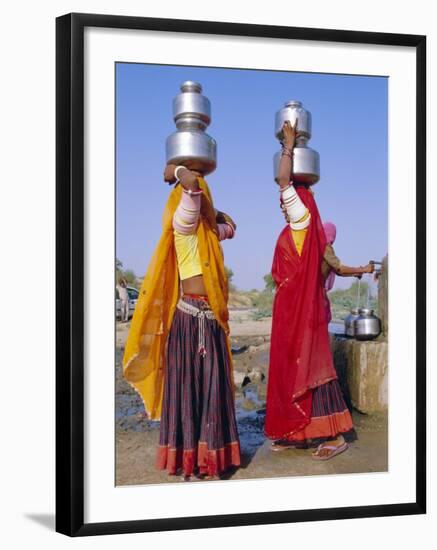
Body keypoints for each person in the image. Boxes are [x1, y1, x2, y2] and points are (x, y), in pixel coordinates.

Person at [123, 163, 241, 480]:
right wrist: (176, 170)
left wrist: (217, 214)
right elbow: (190, 186)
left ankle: (212, 460)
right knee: (188, 392)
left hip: (212, 319)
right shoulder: (184, 224)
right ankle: (189, 461)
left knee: (213, 391)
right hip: (188, 318)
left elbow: (230, 227)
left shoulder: (207, 233)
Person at [265, 120, 371, 460]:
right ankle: (299, 432)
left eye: (288, 200)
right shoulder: (298, 226)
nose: (283, 204)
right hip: (292, 312)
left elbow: (283, 180)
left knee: (314, 368)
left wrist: (289, 144)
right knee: (295, 368)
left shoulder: (301, 217)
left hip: (304, 314)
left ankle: (337, 434)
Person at [321, 221, 374, 323]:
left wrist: (356, 272)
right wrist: (363, 269)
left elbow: (338, 271)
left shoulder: (317, 247)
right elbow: (340, 268)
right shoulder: (324, 247)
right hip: (315, 293)